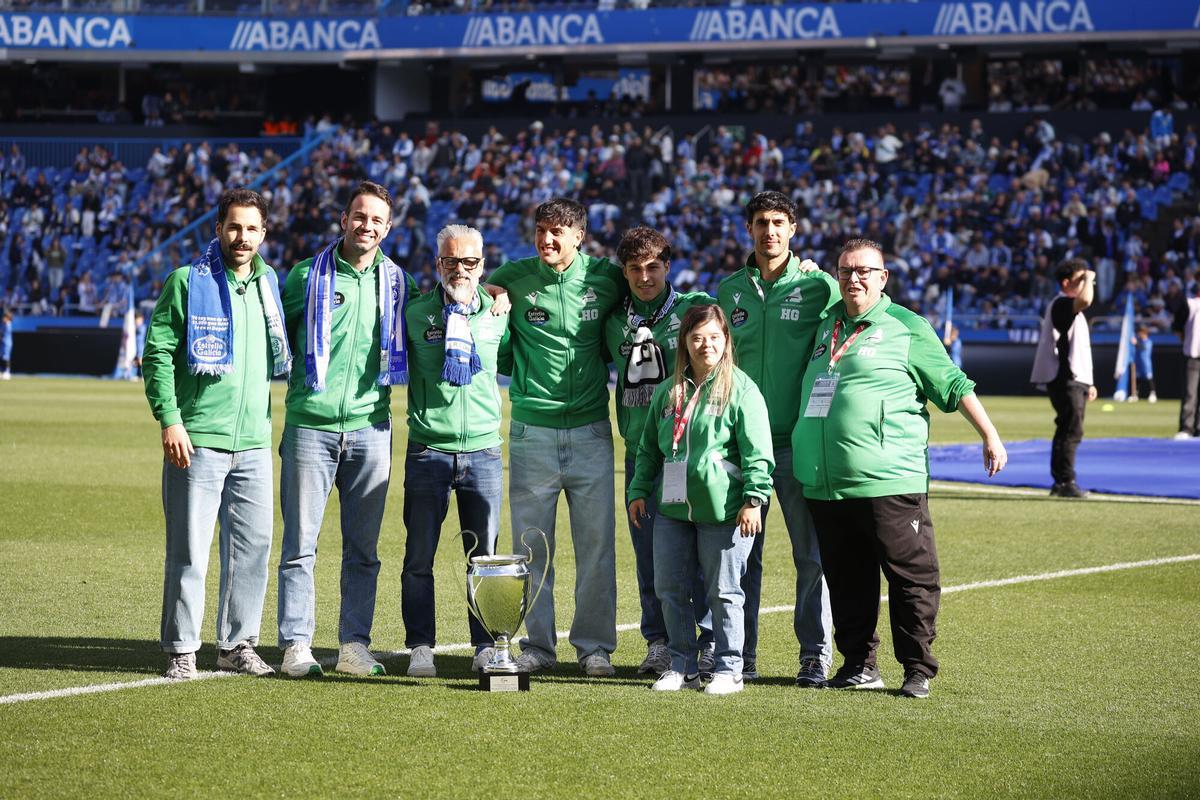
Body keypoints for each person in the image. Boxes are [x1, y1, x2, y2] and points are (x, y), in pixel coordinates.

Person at [794, 238, 1007, 699]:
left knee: (910, 577)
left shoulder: (907, 326)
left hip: (890, 479)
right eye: (847, 270)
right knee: (847, 580)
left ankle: (917, 668)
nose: (855, 278)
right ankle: (858, 664)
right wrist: (810, 273)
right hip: (827, 484)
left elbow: (952, 383)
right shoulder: (826, 323)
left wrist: (989, 433)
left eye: (865, 271)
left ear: (883, 277)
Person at [142, 188, 292, 680]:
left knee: (252, 551)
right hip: (197, 439)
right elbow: (157, 353)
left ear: (264, 233)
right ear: (217, 228)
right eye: (233, 226)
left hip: (252, 442)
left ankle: (237, 644)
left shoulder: (270, 283)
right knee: (189, 551)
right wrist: (171, 419)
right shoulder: (187, 281)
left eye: (251, 228)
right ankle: (182, 648)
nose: (241, 237)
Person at [277, 181, 417, 678]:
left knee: (364, 550)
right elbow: (274, 336)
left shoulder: (401, 284)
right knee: (300, 544)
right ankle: (297, 642)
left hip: (372, 430)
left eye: (377, 220)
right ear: (343, 219)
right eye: (360, 216)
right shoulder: (302, 276)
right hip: (309, 429)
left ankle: (354, 645)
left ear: (388, 227)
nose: (367, 226)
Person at [487, 198, 623, 677]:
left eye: (558, 232)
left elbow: (657, 292)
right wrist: (494, 295)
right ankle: (539, 646)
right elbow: (482, 292)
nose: (548, 239)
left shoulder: (607, 278)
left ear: (579, 236)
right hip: (532, 431)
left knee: (596, 546)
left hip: (590, 431)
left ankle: (594, 648)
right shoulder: (514, 276)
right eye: (541, 231)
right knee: (533, 547)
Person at [717, 190, 836, 686]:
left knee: (812, 557)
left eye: (779, 222)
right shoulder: (728, 292)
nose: (770, 230)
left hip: (796, 445)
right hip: (743, 448)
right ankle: (740, 656)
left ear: (793, 229)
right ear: (749, 228)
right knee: (741, 560)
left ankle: (814, 655)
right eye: (762, 222)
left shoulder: (820, 288)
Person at [628, 305, 774, 696]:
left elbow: (758, 453)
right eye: (696, 337)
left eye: (713, 336)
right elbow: (648, 450)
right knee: (670, 589)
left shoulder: (742, 389)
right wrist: (638, 491)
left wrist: (754, 500)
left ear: (725, 340)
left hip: (726, 511)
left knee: (724, 592)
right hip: (673, 511)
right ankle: (682, 666)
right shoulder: (668, 390)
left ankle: (729, 668)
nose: (704, 345)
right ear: (684, 343)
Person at [400, 224, 510, 678]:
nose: (460, 269)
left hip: (483, 451)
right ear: (437, 264)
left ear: (482, 266)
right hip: (429, 450)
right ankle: (421, 646)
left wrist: (499, 291)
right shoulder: (414, 313)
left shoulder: (500, 310)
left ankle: (485, 647)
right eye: (451, 261)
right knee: (418, 557)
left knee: (484, 560)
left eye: (469, 262)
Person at [604, 226, 715, 676]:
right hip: (641, 454)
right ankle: (659, 643)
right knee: (650, 555)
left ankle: (707, 641)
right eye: (634, 268)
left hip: (690, 450)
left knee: (701, 554)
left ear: (668, 266)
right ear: (625, 271)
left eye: (653, 267)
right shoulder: (613, 320)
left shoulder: (692, 309)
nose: (644, 276)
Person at [1030, 259, 1097, 498]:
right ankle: (1065, 481)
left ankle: (1061, 481)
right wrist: (1089, 278)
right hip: (1064, 377)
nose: (1087, 283)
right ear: (1067, 282)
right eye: (1080, 279)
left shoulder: (1069, 307)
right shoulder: (1061, 303)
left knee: (1066, 428)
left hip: (1072, 377)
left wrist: (1088, 382)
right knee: (1071, 430)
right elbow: (1086, 300)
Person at [1177, 284, 1200, 439]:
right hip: (1193, 355)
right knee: (1190, 393)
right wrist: (1188, 343)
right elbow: (1177, 326)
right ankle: (1187, 428)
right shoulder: (1190, 303)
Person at [1129, 326, 1156, 403]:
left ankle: (1153, 394)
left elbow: (1143, 347)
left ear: (1145, 333)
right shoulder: (1138, 340)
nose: (1139, 334)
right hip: (1138, 363)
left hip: (1146, 364)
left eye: (1141, 332)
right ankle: (1135, 394)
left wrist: (1136, 343)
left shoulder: (1148, 342)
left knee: (1149, 379)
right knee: (1138, 379)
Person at [1, 309, 12, 379]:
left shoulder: (8, 325)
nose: (3, 318)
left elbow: (3, 334)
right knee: (2, 357)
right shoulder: (3, 324)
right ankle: (3, 372)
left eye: (4, 317)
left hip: (7, 343)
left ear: (7, 318)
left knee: (6, 358)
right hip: (3, 343)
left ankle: (7, 372)